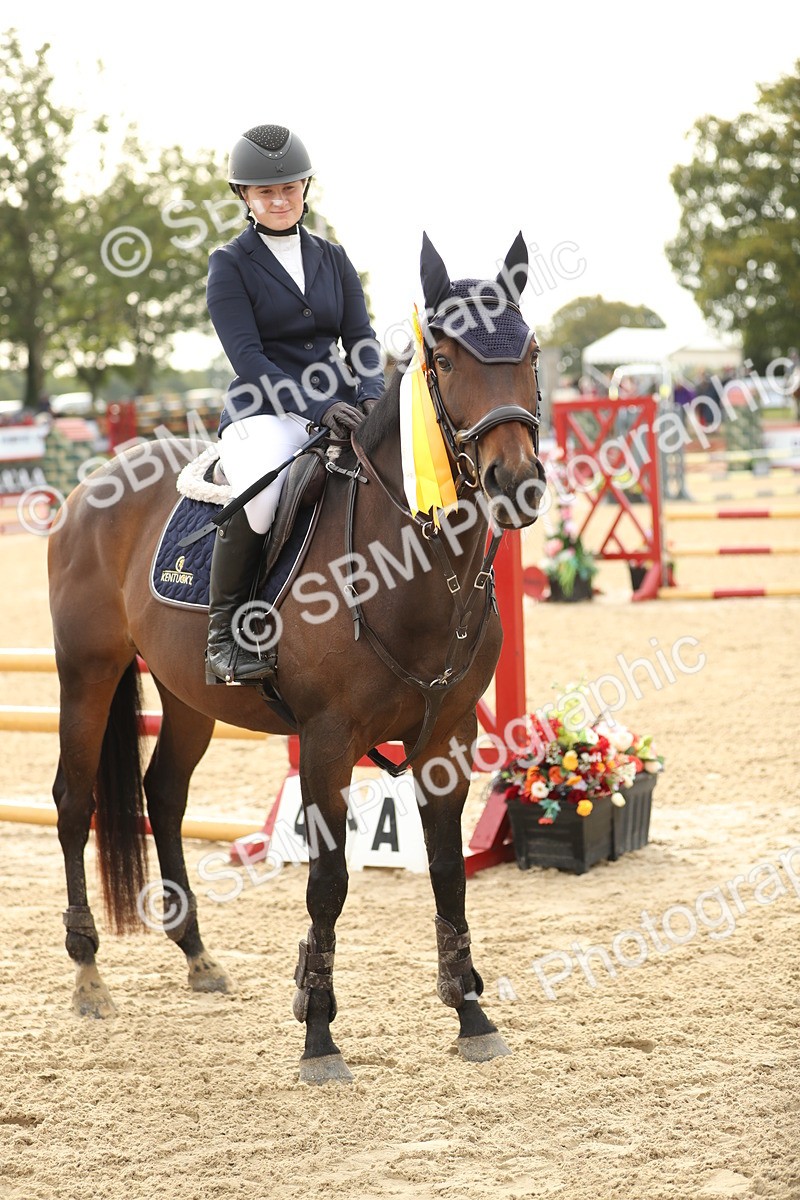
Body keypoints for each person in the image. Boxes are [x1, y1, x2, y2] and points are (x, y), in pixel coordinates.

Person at [205, 124, 384, 685]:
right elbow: (248, 357)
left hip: (342, 402)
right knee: (261, 500)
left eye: (288, 188)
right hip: (264, 411)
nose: (279, 200)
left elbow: (360, 338)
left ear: (305, 186)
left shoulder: (332, 257)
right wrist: (314, 408)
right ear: (245, 197)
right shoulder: (229, 264)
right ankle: (225, 635)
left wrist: (374, 397)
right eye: (265, 192)